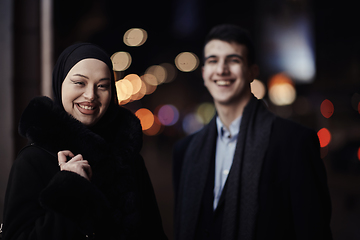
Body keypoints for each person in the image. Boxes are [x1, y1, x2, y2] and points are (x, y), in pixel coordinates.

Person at [172, 24, 332, 240]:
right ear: (204, 73)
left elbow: (314, 232)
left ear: (252, 72)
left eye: (233, 60)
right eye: (213, 61)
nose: (221, 69)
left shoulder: (295, 143)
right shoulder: (185, 151)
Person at [3, 43, 167, 240]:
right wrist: (70, 187)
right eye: (80, 83)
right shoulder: (33, 160)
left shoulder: (127, 158)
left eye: (102, 86)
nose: (91, 95)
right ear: (60, 84)